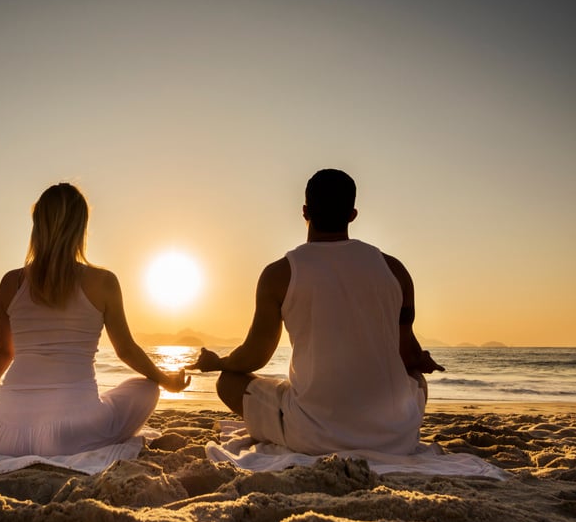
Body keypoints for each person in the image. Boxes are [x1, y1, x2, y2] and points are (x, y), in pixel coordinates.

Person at [188, 168, 444, 455]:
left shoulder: (279, 274)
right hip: (396, 438)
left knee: (229, 381)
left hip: (312, 437)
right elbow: (407, 353)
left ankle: (289, 421)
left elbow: (255, 357)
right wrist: (421, 361)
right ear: (352, 214)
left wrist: (218, 362)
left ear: (305, 211)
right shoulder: (395, 270)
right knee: (415, 378)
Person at [0, 182, 189, 456]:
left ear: (37, 226)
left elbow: (5, 351)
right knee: (147, 388)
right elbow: (126, 350)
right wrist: (165, 380)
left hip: (5, 436)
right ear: (80, 228)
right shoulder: (103, 282)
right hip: (74, 435)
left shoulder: (11, 282)